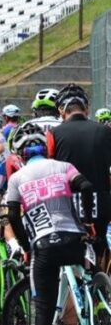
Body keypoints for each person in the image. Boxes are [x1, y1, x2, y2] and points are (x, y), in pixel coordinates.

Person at [5, 121, 93, 325]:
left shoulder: (17, 178)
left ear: (20, 154)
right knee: (92, 276)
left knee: (43, 308)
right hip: (74, 238)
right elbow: (86, 187)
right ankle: (99, 299)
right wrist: (87, 221)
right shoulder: (64, 167)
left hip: (44, 245)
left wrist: (25, 246)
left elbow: (13, 215)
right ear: (46, 148)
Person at [47, 84, 111, 263]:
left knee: (70, 253)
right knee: (100, 246)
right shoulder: (105, 131)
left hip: (67, 202)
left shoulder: (53, 134)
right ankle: (100, 278)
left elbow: (50, 168)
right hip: (101, 199)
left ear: (61, 110)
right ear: (86, 108)